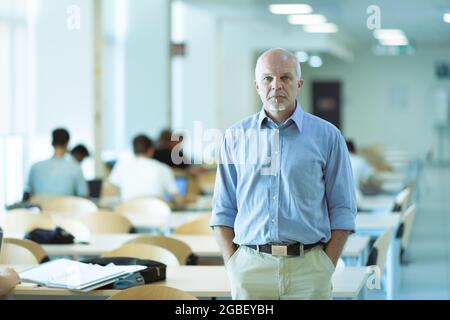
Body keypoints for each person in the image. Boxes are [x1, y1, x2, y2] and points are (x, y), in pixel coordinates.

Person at [210, 48, 356, 300]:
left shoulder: (328, 136)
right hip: (250, 269)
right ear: (257, 85)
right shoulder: (235, 137)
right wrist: (233, 264)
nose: (276, 85)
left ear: (299, 84)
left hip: (309, 269)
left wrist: (325, 265)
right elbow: (223, 209)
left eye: (285, 77)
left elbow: (343, 209)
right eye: (267, 78)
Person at [109, 134, 180, 202]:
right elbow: (177, 197)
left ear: (133, 150)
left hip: (127, 212)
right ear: (151, 150)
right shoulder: (163, 168)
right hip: (156, 212)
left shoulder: (121, 166)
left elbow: (111, 191)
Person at [25, 128, 88, 199]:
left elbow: (28, 195)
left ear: (52, 142)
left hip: (41, 209)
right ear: (67, 143)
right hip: (66, 209)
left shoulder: (35, 167)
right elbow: (83, 197)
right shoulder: (76, 167)